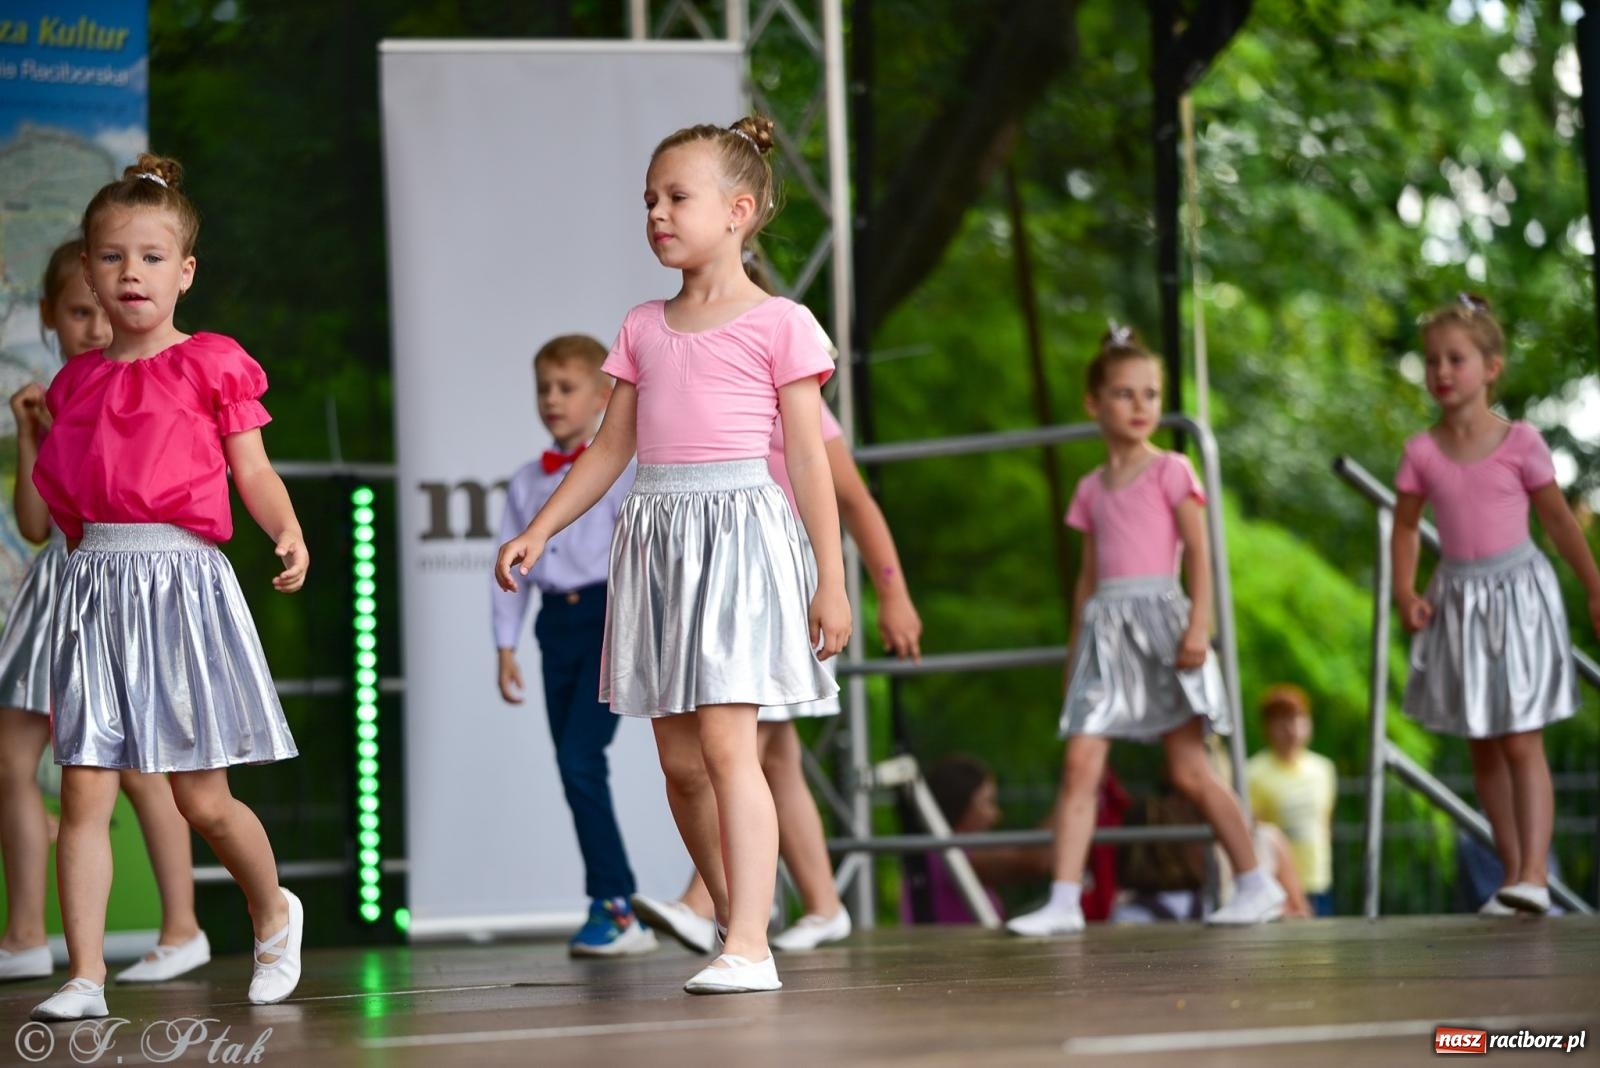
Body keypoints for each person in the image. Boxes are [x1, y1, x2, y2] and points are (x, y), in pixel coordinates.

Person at [497, 116, 850, 995]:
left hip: (739, 537)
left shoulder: (781, 323)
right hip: (657, 543)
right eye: (648, 199)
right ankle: (738, 914)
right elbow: (610, 451)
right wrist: (541, 529)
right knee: (679, 762)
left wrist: (831, 580)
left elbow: (807, 459)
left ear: (739, 210)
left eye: (676, 197)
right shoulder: (643, 327)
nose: (656, 212)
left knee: (733, 747)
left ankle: (748, 946)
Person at [28, 155, 308, 1020]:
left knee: (202, 797)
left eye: (151, 257)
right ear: (88, 272)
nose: (130, 275)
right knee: (84, 785)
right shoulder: (77, 382)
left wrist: (287, 528)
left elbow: (251, 471)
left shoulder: (212, 363)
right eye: (111, 258)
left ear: (184, 272)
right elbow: (60, 506)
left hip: (180, 583)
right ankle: (83, 975)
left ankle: (272, 912)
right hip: (97, 587)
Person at [1006, 324, 1285, 937]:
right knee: (1081, 764)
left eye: (1151, 395)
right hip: (1106, 635)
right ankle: (1063, 898)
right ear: (1094, 403)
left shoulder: (1172, 471)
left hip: (1163, 625)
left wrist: (1199, 625)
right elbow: (1086, 581)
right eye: (1125, 394)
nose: (1141, 407)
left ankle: (1256, 881)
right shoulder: (1089, 490)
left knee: (1189, 770)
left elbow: (1200, 552)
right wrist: (1074, 656)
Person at [633, 389, 922, 954]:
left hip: (780, 580)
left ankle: (706, 902)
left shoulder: (792, 394)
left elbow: (855, 500)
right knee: (778, 759)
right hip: (729, 575)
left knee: (744, 741)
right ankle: (823, 902)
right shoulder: (703, 398)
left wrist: (894, 593)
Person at [0, 240, 210, 987]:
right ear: (51, 315)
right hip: (58, 591)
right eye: (79, 311)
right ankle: (27, 932)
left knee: (148, 767)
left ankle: (182, 924)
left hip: (120, 585)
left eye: (100, 310)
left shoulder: (139, 382)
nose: (93, 326)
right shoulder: (57, 396)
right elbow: (37, 521)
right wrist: (33, 435)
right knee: (12, 760)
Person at [1392, 293, 1597, 916]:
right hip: (1457, 599)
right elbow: (1404, 527)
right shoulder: (1420, 452)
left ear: (1492, 367)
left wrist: (1593, 584)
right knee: (1481, 742)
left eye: (1456, 358)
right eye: (1432, 361)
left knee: (1519, 741)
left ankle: (1535, 870)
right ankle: (1512, 875)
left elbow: (1559, 524)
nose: (1442, 372)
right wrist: (1405, 589)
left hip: (1519, 597)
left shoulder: (1521, 443)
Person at [491, 333, 654, 957]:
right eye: (544, 389)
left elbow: (639, 557)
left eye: (567, 388)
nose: (553, 400)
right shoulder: (526, 481)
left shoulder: (619, 474)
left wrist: (639, 632)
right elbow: (511, 568)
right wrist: (505, 645)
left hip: (609, 624)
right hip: (553, 628)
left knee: (580, 760)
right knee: (573, 765)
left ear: (603, 395)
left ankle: (616, 904)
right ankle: (612, 906)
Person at [1245, 684, 1338, 915]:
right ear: (1267, 727)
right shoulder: (1253, 773)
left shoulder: (1323, 769)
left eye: (1298, 719)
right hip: (1278, 886)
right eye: (1283, 721)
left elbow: (1325, 823)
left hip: (1318, 882)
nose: (1292, 729)